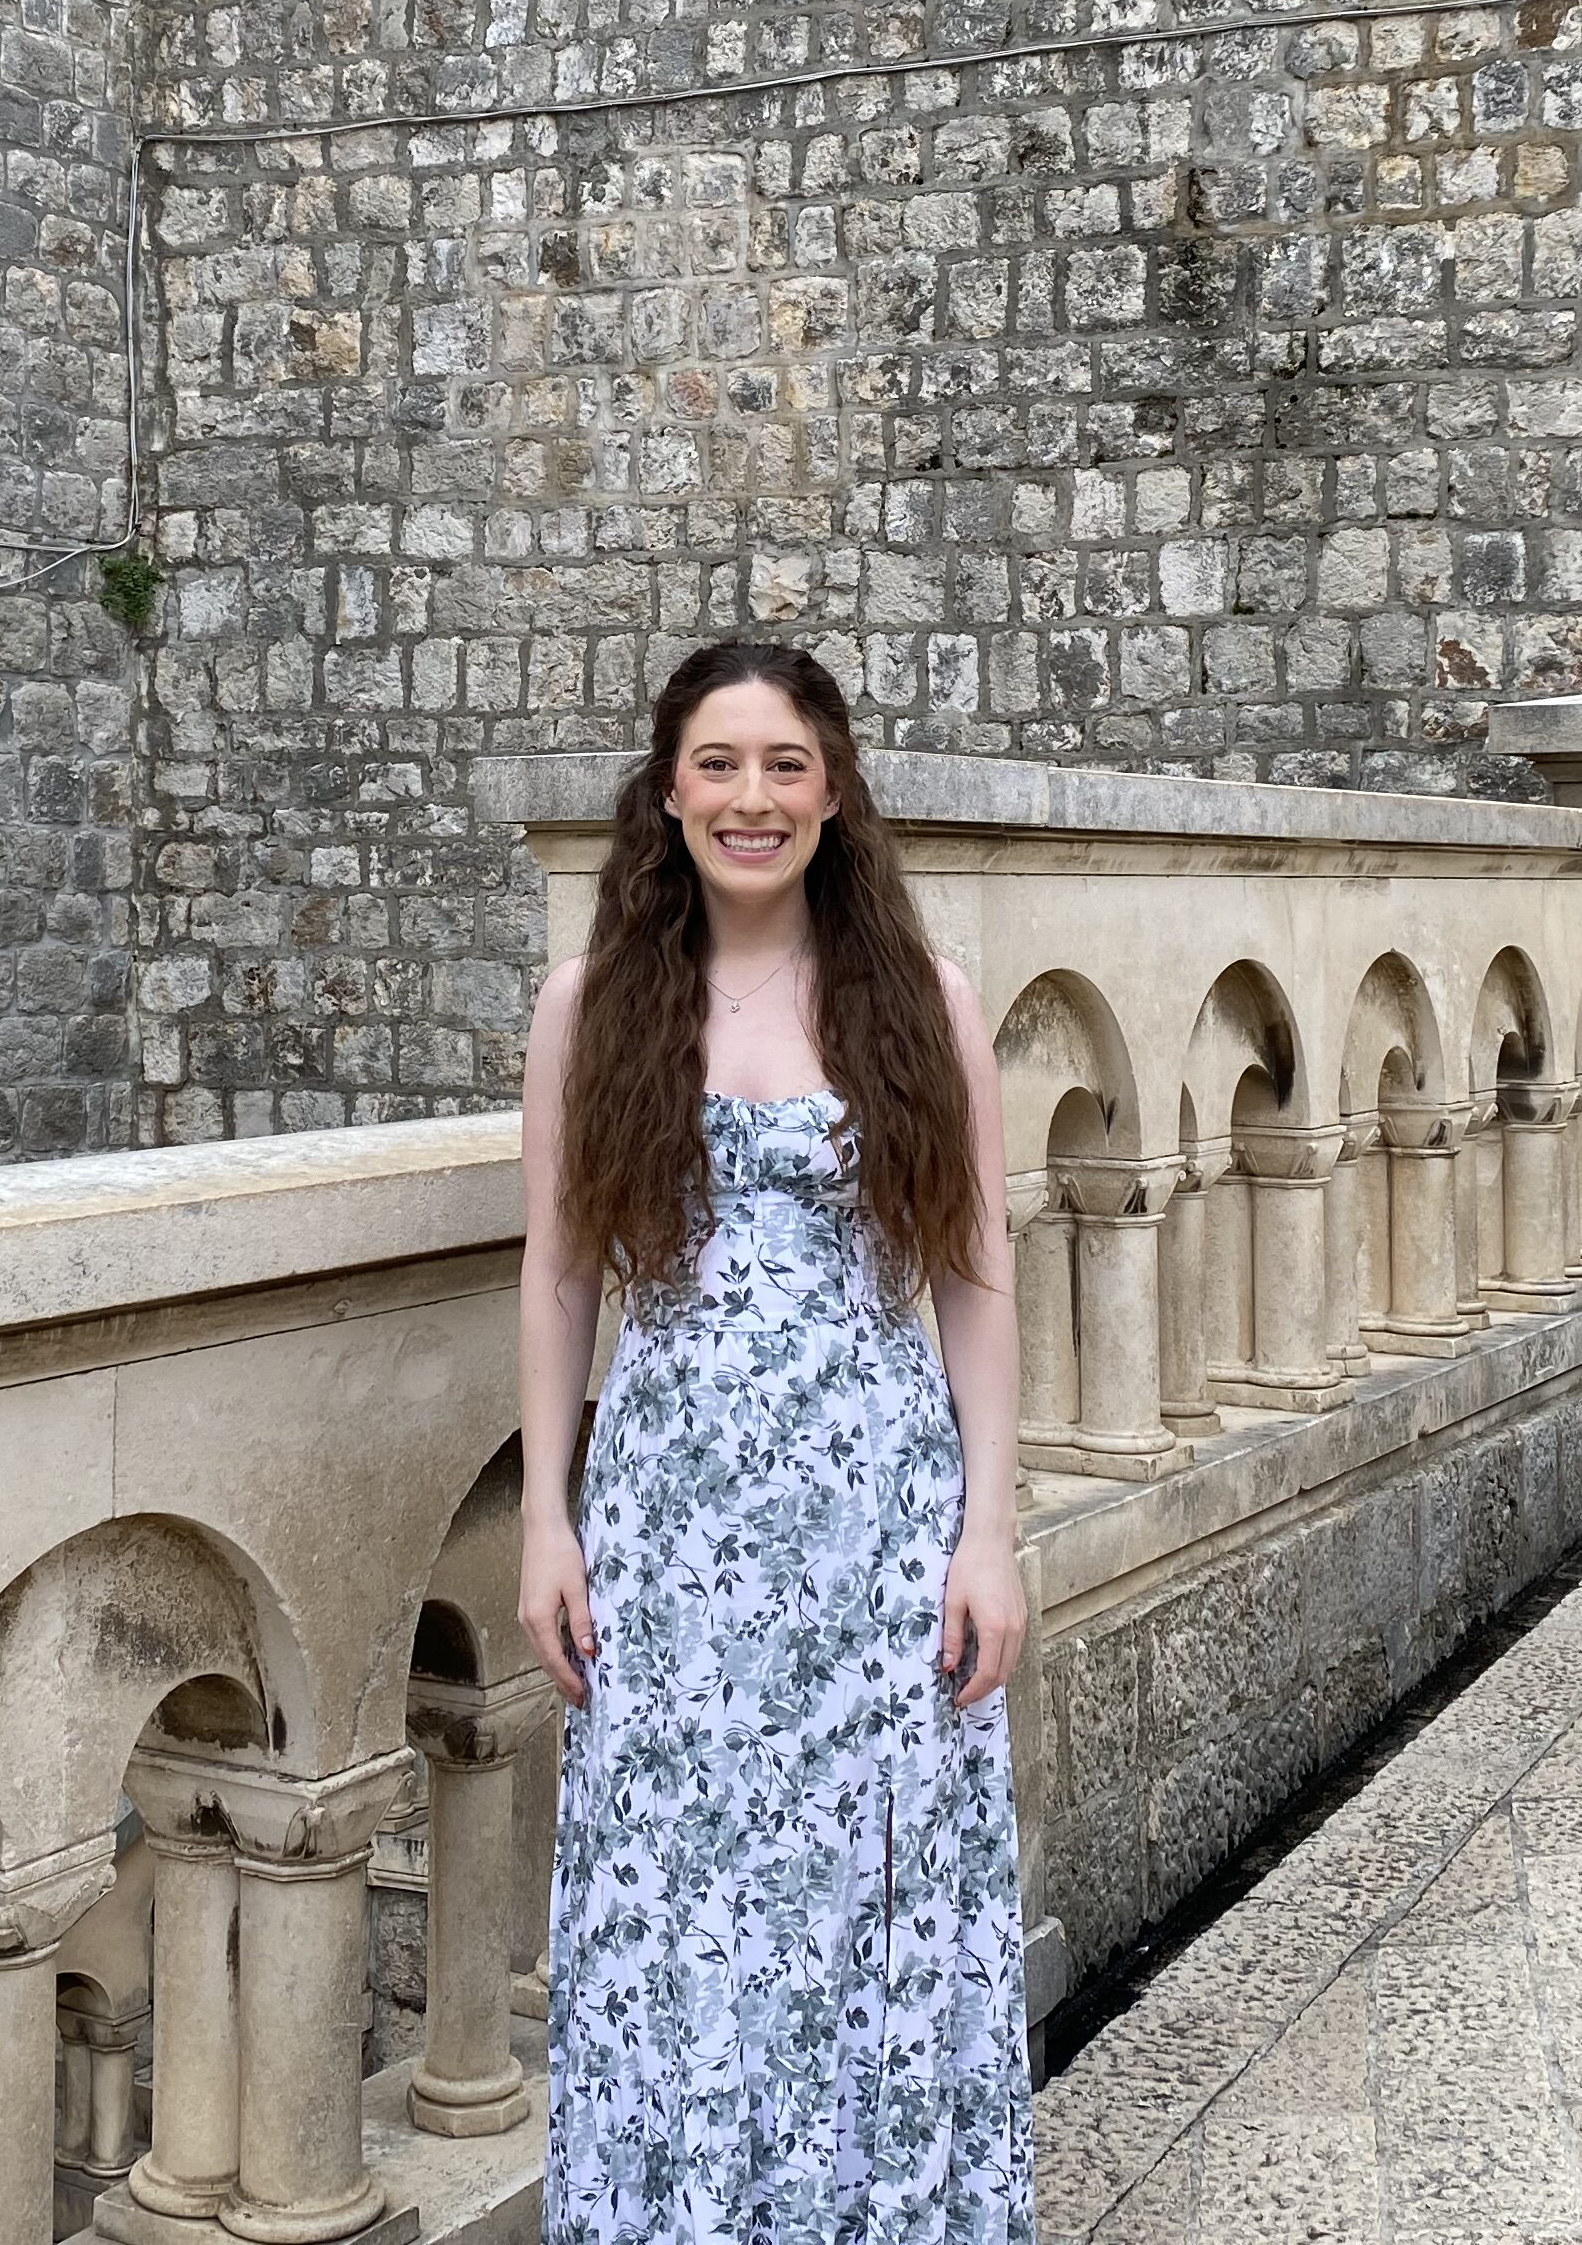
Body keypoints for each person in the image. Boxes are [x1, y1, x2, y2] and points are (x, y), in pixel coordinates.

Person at [517, 638, 1035, 2245]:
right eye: (721, 765)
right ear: (667, 795)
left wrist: (991, 1529)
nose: (754, 797)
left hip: (880, 1528)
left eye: (786, 766)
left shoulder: (918, 1003)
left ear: (834, 793)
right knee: (683, 1905)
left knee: (870, 1897)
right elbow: (552, 1274)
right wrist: (550, 1519)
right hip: (671, 1540)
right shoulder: (591, 1008)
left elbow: (976, 1269)